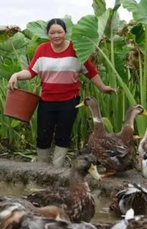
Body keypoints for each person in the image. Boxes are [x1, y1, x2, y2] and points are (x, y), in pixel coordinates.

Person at [7, 18, 115, 168]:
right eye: (52, 32)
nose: (56, 35)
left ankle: (57, 168)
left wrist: (102, 87)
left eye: (59, 32)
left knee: (63, 135)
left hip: (69, 100)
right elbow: (31, 71)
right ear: (47, 34)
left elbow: (90, 71)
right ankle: (42, 167)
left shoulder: (76, 49)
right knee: (43, 135)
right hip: (47, 100)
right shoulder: (42, 49)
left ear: (65, 32)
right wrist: (17, 75)